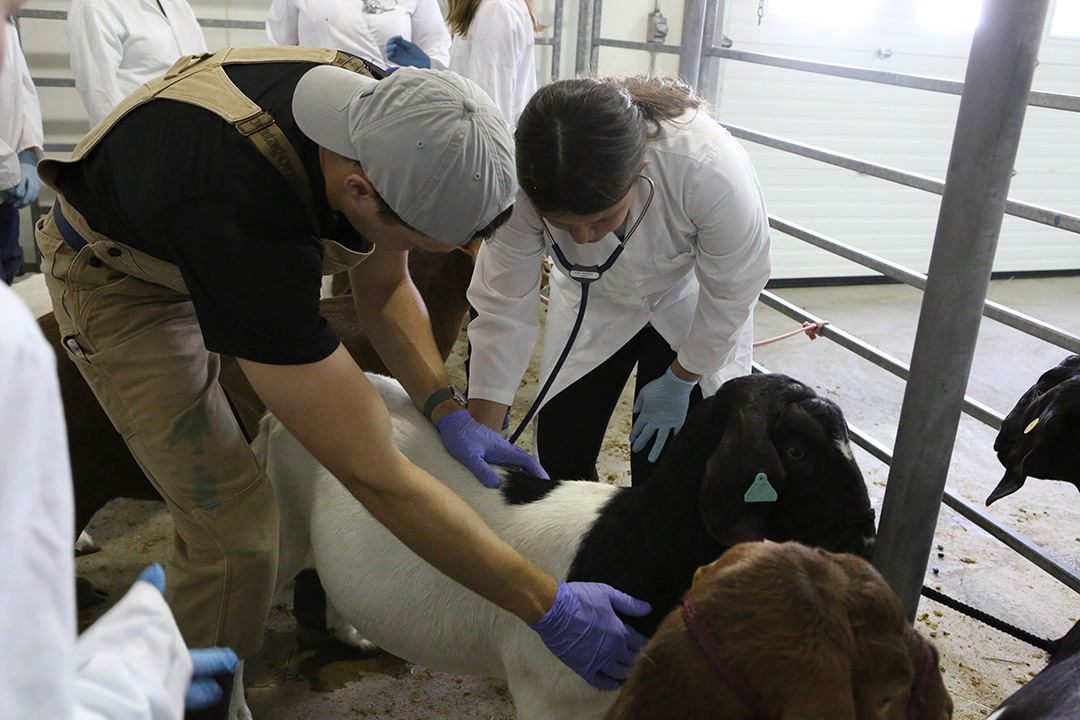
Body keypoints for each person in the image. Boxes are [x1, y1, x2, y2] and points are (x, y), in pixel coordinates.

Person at [34, 47, 648, 707]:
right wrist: (542, 603)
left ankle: (315, 609)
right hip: (126, 283)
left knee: (297, 448)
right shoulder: (244, 215)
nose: (410, 251)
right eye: (415, 239)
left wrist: (445, 407)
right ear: (360, 191)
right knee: (234, 525)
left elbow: (382, 288)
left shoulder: (403, 117)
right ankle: (188, 699)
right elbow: (372, 473)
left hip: (201, 231)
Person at [466, 76, 772, 486]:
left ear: (639, 170)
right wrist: (481, 432)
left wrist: (683, 376)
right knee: (561, 452)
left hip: (685, 297)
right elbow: (502, 303)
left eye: (600, 220)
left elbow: (735, 289)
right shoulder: (520, 175)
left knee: (665, 465)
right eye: (563, 225)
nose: (582, 238)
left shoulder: (708, 167)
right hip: (592, 301)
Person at [386, 0, 540, 128]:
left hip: (486, 145)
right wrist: (430, 67)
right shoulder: (490, 8)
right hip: (486, 139)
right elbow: (472, 82)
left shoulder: (495, 10)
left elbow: (488, 106)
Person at [67, 0, 207, 126]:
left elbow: (202, 68)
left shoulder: (178, 4)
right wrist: (118, 143)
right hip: (141, 135)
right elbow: (99, 90)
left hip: (193, 131)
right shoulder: (93, 4)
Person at [265, 0, 450, 74]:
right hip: (320, 99)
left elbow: (437, 50)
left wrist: (425, 65)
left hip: (393, 101)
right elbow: (279, 53)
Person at [0, 13, 41, 284]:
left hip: (5, 191)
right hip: (5, 172)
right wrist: (6, 167)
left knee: (7, 263)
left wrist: (27, 152)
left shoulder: (7, 19)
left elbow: (21, 88)